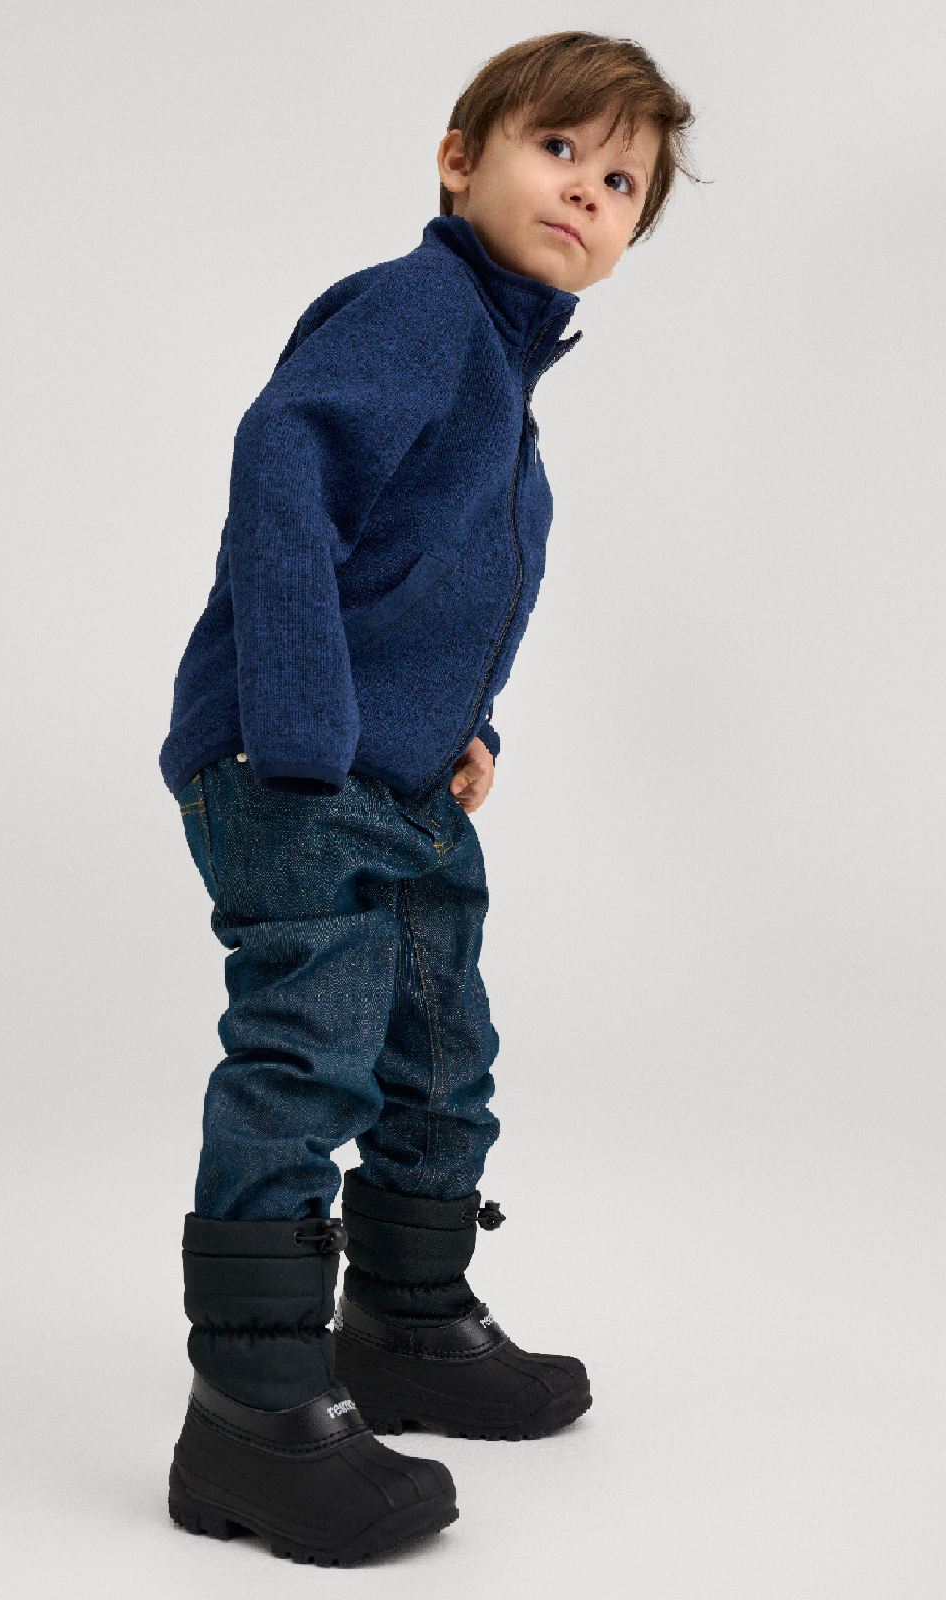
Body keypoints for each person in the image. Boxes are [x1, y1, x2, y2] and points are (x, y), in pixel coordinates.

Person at [160, 30, 695, 1566]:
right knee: (308, 1050)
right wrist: (305, 727)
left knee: (441, 1053)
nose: (585, 191)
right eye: (556, 149)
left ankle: (406, 1320)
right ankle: (251, 1405)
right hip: (293, 766)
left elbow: (445, 581)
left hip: (399, 779)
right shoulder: (416, 313)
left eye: (622, 184)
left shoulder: (501, 388)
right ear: (462, 161)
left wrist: (468, 729)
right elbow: (284, 463)